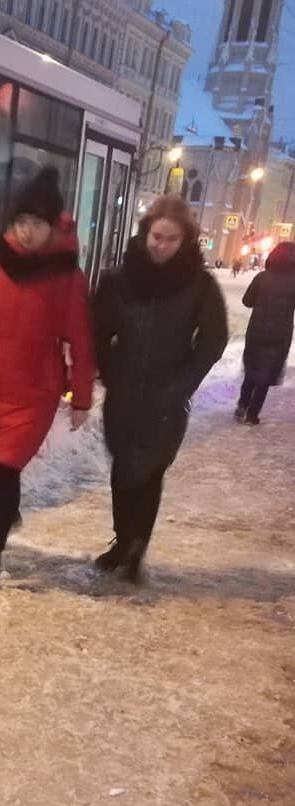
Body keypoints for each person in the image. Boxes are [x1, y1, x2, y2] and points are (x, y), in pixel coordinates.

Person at [0, 166, 96, 592]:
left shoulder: (66, 276)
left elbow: (81, 342)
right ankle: (5, 516)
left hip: (34, 393)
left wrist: (81, 397)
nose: (28, 232)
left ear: (54, 227)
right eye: (22, 222)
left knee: (7, 469)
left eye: (38, 224)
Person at [92, 196, 229, 583]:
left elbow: (213, 340)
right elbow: (97, 330)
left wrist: (182, 385)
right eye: (157, 235)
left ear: (185, 240)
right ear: (145, 232)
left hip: (167, 398)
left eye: (171, 238)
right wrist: (108, 370)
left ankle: (137, 547)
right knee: (122, 467)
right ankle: (122, 539)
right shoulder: (119, 280)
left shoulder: (200, 285)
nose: (161, 244)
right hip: (124, 393)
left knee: (150, 472)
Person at [236, 240, 295, 425]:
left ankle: (241, 406)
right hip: (279, 335)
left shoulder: (261, 278)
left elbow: (247, 301)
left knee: (251, 370)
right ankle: (253, 415)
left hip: (256, 332)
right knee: (265, 375)